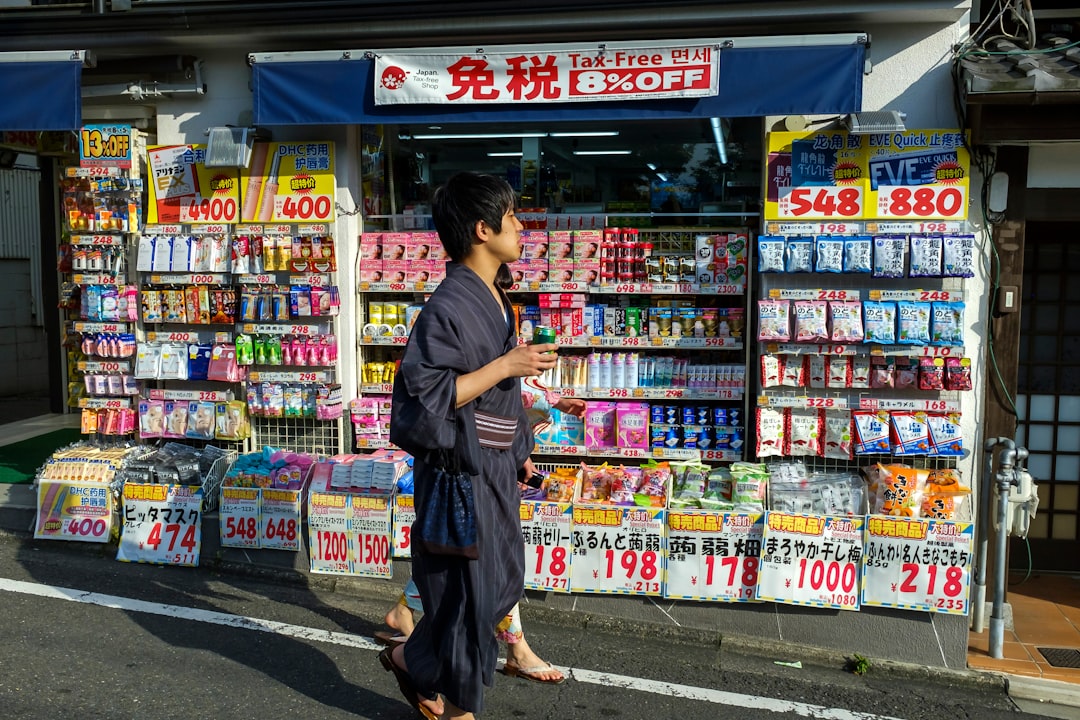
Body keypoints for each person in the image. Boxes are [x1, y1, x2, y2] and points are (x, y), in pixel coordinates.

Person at [386, 172, 559, 720]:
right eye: (512, 217)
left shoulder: (493, 295)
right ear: (483, 229)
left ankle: (413, 660)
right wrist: (508, 364)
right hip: (458, 479)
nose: (521, 226)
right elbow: (428, 399)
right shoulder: (445, 307)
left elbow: (494, 396)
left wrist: (521, 443)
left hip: (493, 469)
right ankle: (457, 705)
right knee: (466, 600)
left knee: (495, 587)